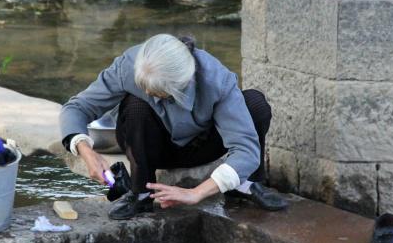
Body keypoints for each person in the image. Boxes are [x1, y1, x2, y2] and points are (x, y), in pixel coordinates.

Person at [59, 34, 287, 220]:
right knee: (136, 104)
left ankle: (245, 185)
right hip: (153, 147)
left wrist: (196, 193)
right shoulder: (129, 65)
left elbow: (245, 149)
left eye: (157, 91)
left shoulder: (217, 80)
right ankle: (141, 193)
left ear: (182, 84)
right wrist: (85, 150)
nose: (148, 92)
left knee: (255, 103)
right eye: (144, 86)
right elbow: (77, 107)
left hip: (202, 146)